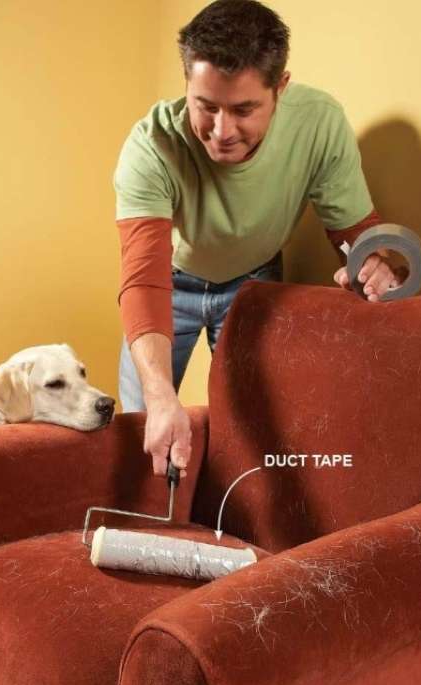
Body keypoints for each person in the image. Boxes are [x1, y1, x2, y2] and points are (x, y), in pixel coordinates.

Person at [113, 0, 401, 479]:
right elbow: (143, 279)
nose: (222, 132)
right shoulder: (150, 147)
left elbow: (354, 235)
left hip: (255, 282)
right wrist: (163, 399)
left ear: (280, 87)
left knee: (250, 431)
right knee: (146, 424)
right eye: (205, 106)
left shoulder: (319, 123)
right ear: (187, 82)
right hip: (170, 285)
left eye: (244, 109)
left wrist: (378, 264)